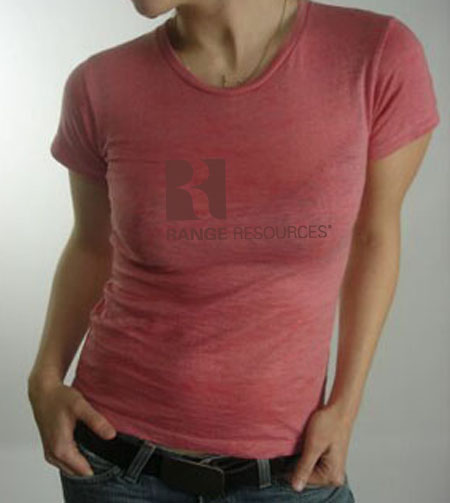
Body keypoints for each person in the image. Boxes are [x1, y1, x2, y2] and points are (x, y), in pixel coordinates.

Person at [28, 0, 440, 502]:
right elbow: (92, 246)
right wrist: (44, 378)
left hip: (291, 470)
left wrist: (345, 405)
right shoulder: (100, 84)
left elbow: (375, 237)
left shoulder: (374, 57)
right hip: (114, 464)